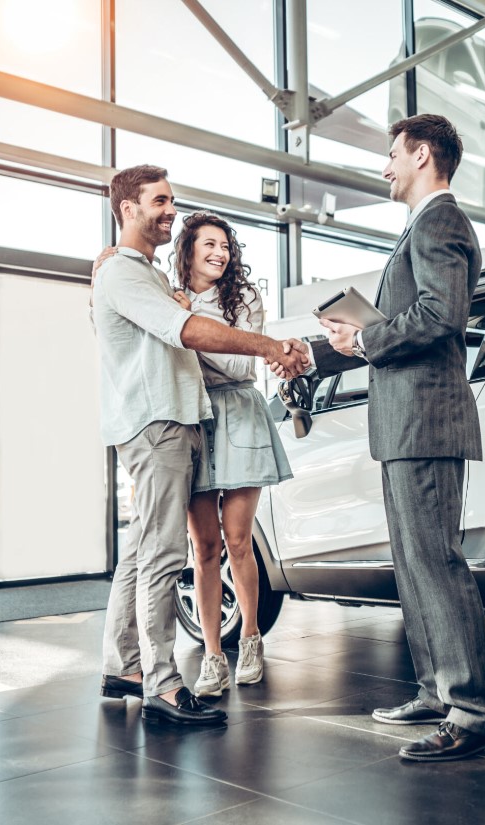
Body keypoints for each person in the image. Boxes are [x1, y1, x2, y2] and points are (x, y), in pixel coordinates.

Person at [272, 114, 485, 761]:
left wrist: (366, 337)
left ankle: (474, 708)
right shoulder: (422, 227)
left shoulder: (440, 222)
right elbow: (397, 324)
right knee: (413, 565)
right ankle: (436, 689)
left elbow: (439, 315)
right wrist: (321, 351)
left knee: (435, 561)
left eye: (391, 155)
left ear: (422, 155)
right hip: (405, 424)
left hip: (425, 422)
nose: (384, 167)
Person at [92, 164, 307, 726]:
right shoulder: (125, 274)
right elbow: (184, 331)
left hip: (171, 422)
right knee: (165, 555)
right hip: (158, 424)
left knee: (142, 552)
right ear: (127, 208)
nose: (169, 210)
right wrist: (267, 346)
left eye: (171, 202)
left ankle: (124, 666)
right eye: (159, 201)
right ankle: (163, 685)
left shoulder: (140, 272)